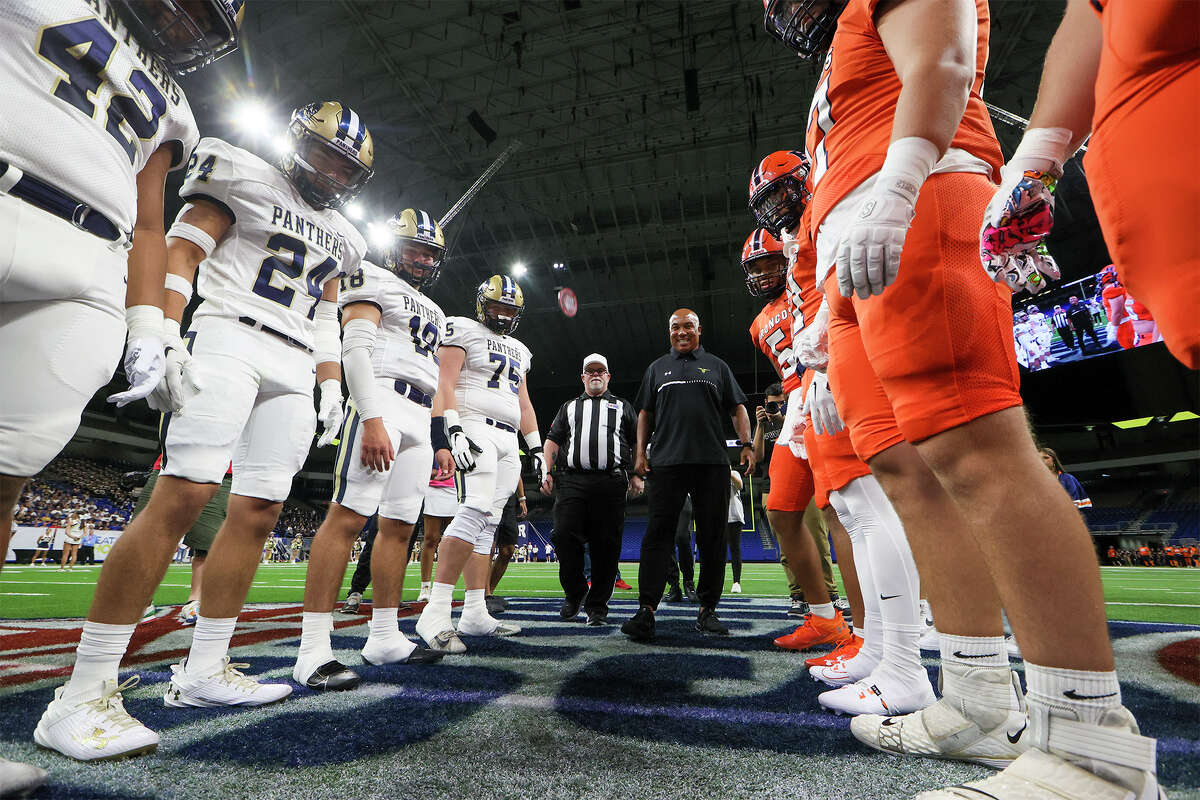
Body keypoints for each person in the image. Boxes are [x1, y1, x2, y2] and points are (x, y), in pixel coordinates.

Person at [768, 1, 1162, 795]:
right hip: (857, 237)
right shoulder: (838, 48)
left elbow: (943, 62)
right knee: (909, 472)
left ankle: (1093, 751)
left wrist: (905, 180)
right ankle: (979, 698)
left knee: (977, 451)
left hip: (915, 195)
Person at [36, 99, 372, 760]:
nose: (331, 173)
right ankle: (83, 690)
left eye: (343, 166)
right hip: (229, 336)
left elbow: (328, 313)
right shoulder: (242, 171)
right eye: (325, 155)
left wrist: (331, 381)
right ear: (298, 143)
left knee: (259, 512)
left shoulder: (347, 238)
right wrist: (161, 329)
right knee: (185, 494)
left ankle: (204, 671)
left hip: (295, 361)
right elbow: (184, 250)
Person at [0, 0, 239, 603]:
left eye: (202, 21)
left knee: (8, 472)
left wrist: (152, 324)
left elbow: (150, 221)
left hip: (91, 256)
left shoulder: (176, 106)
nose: (184, 24)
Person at [748, 158, 929, 715]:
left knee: (873, 504)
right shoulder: (802, 238)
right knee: (853, 510)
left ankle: (907, 647)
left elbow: (844, 284)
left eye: (783, 195)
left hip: (843, 355)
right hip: (820, 367)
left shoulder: (828, 213)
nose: (778, 211)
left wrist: (823, 358)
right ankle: (880, 643)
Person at [293, 209, 450, 691]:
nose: (422, 259)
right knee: (347, 516)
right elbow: (355, 349)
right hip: (381, 399)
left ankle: (384, 635)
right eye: (415, 249)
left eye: (430, 253)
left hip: (420, 418)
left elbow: (437, 379)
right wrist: (373, 416)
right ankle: (313, 649)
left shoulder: (438, 311)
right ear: (394, 249)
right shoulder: (373, 277)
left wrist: (439, 438)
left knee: (401, 529)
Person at [414, 275, 543, 652]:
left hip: (507, 438)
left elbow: (523, 403)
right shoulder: (462, 329)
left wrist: (534, 446)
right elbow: (444, 382)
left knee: (487, 524)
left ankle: (474, 611)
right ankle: (435, 611)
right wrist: (451, 429)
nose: (502, 315)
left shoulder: (520, 349)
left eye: (509, 310)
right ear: (481, 304)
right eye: (497, 307)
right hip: (473, 425)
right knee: (472, 511)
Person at [741, 217, 853, 642]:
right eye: (754, 269)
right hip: (795, 402)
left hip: (828, 384)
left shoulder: (804, 284)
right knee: (781, 509)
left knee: (843, 507)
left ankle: (870, 622)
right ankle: (824, 615)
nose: (762, 274)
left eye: (768, 263)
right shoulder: (757, 325)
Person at [621, 308, 754, 641]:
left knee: (712, 537)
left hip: (711, 462)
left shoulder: (718, 367)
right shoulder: (657, 369)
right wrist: (640, 453)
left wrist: (747, 443)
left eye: (688, 326)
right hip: (666, 463)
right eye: (675, 327)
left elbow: (738, 407)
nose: (681, 332)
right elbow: (644, 414)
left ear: (699, 329)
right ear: (669, 332)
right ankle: (646, 610)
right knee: (657, 537)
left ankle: (707, 609)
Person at [541, 353, 641, 626]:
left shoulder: (623, 406)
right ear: (583, 377)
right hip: (573, 480)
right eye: (590, 371)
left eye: (601, 371)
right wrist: (546, 471)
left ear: (608, 376)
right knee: (562, 535)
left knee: (606, 547)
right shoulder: (569, 407)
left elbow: (637, 442)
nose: (596, 374)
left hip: (611, 481)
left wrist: (637, 474)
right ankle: (575, 593)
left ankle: (597, 607)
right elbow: (553, 441)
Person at [133, 456, 232, 625]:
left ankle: (195, 600)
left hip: (221, 469)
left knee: (207, 543)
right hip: (171, 462)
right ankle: (141, 598)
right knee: (141, 536)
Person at [418, 468, 458, 602]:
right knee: (430, 538)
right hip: (432, 486)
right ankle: (425, 587)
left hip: (454, 487)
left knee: (452, 540)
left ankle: (445, 588)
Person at [726, 470, 745, 593]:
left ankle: (736, 582)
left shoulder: (734, 473)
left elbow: (740, 485)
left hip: (734, 516)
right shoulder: (713, 474)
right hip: (718, 517)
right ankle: (718, 581)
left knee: (735, 549)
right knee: (718, 551)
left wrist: (729, 473)